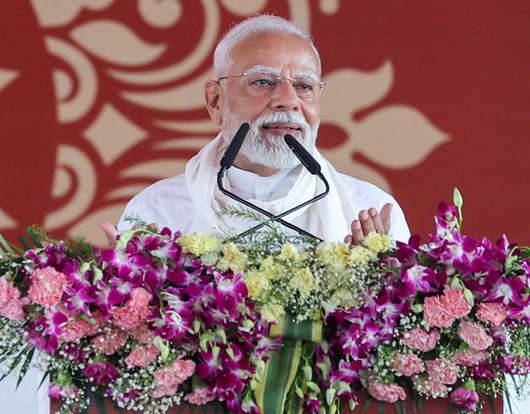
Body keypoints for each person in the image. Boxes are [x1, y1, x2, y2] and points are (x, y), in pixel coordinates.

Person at [111, 14, 410, 245]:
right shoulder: (156, 213)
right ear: (215, 101)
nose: (288, 101)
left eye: (304, 86)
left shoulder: (369, 211)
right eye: (262, 82)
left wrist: (372, 283)